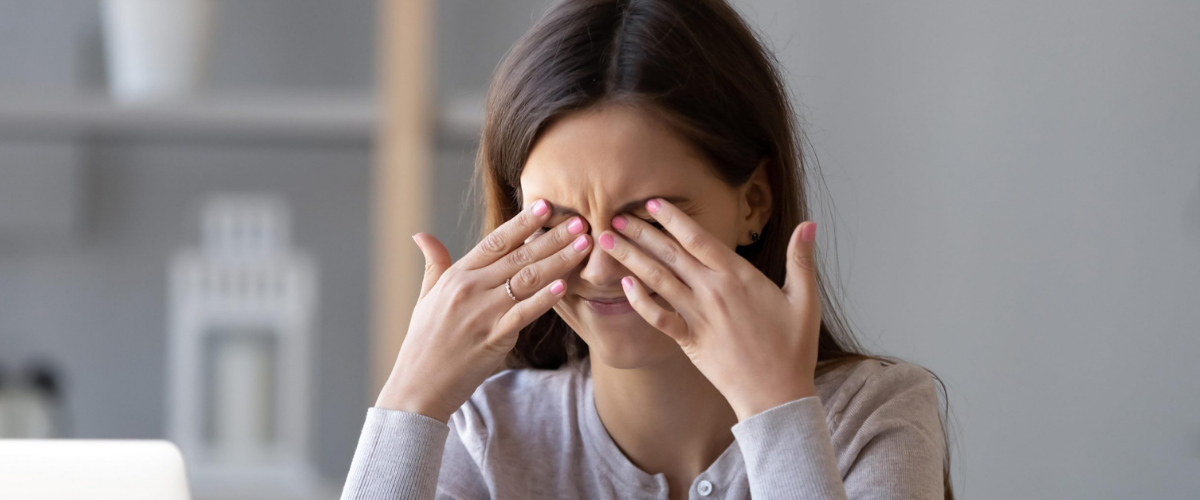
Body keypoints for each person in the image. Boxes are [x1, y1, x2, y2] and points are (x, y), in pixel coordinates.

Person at [342, 0, 953, 498]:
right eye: (559, 222)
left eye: (645, 220)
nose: (603, 267)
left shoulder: (872, 417)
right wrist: (409, 402)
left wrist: (777, 410)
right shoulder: (487, 435)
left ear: (755, 202)